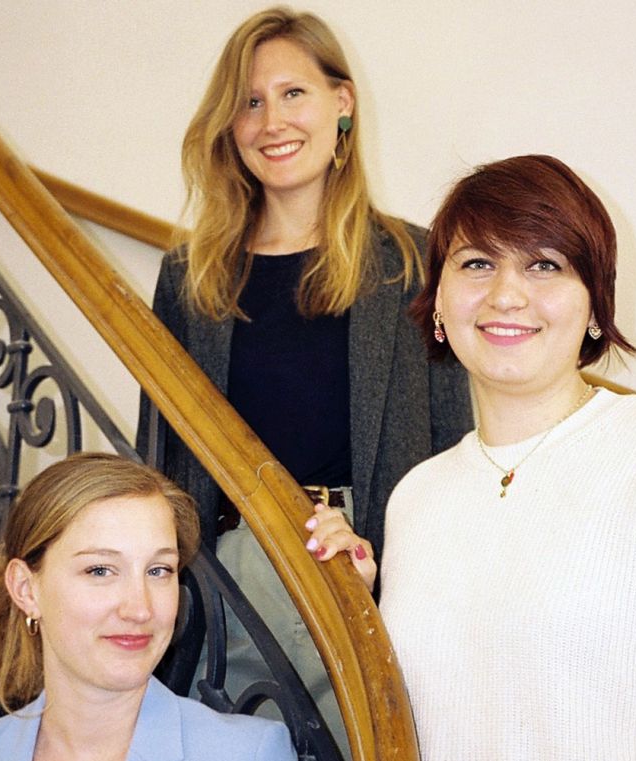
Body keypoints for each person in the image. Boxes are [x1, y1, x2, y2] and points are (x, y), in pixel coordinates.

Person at [305, 155, 636, 759]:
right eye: (477, 263)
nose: (506, 294)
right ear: (440, 303)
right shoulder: (417, 497)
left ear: (593, 305)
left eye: (544, 265)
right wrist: (357, 606)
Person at [142, 6, 471, 746]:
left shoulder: (415, 262)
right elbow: (159, 466)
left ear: (342, 104)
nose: (271, 121)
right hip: (228, 591)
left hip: (371, 577)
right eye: (249, 102)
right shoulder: (188, 280)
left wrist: (399, 571)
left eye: (294, 93)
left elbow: (457, 449)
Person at [0, 453, 293, 761]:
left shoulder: (249, 752)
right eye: (100, 570)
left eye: (158, 570)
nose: (140, 609)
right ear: (26, 588)